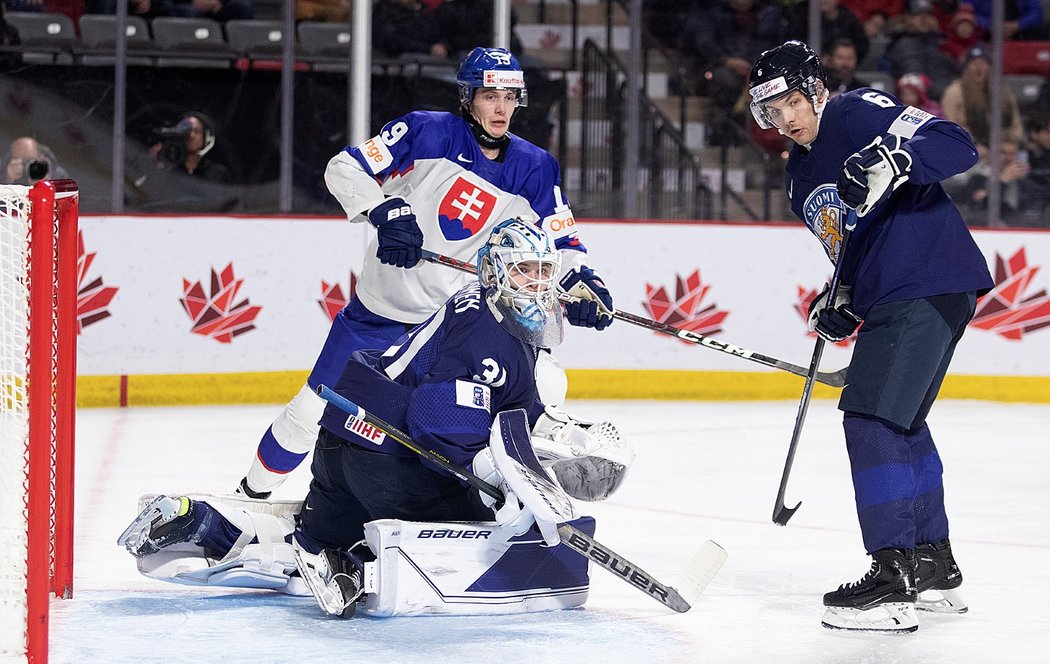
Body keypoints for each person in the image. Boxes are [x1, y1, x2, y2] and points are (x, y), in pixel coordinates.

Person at [117, 219, 635, 618]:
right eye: (524, 270)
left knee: (314, 531)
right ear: (496, 271)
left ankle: (218, 525)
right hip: (389, 458)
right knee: (478, 524)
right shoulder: (486, 330)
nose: (537, 283)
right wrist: (502, 478)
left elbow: (517, 411)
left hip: (342, 447)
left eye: (544, 271)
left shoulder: (491, 315)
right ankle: (364, 567)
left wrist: (562, 441)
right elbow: (439, 421)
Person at [234, 47, 615, 502]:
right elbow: (346, 168)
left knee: (532, 389)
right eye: (490, 95)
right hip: (379, 316)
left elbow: (562, 243)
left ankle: (517, 500)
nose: (501, 108)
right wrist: (385, 211)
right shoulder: (425, 131)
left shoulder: (535, 167)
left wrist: (582, 284)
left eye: (510, 97)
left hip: (451, 327)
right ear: (468, 97)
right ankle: (245, 500)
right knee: (310, 409)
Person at [747, 40, 992, 633]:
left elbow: (957, 143)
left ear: (814, 91)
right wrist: (840, 298)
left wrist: (897, 161)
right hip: (906, 289)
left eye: (791, 103)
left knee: (870, 420)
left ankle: (891, 577)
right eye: (770, 110)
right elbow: (852, 248)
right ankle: (932, 563)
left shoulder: (856, 112)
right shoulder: (798, 175)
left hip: (924, 278)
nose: (784, 119)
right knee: (901, 422)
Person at [940, 44, 1024, 153]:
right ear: (966, 67)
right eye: (973, 63)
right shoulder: (954, 92)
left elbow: (1015, 122)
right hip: (967, 148)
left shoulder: (1002, 91)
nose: (978, 68)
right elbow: (949, 124)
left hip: (1003, 147)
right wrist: (973, 144)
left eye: (983, 63)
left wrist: (1013, 142)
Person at [145, 111, 230, 183]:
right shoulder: (166, 163)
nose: (191, 135)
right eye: (185, 131)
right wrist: (151, 166)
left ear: (206, 138)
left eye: (196, 131)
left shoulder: (217, 172)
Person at [1, 136, 69, 186]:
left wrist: (44, 185)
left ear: (41, 156)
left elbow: (65, 203)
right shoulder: (3, 170)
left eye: (30, 160)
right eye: (23, 162)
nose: (27, 166)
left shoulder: (59, 175)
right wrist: (8, 180)